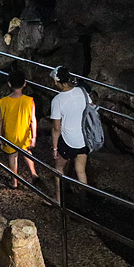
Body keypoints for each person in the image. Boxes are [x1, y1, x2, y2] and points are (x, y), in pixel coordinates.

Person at [50, 66, 89, 201]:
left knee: (59, 168)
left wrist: (55, 148)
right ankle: (85, 200)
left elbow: (56, 128)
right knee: (81, 170)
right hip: (84, 139)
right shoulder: (82, 92)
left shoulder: (57, 100)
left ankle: (59, 200)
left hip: (68, 140)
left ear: (57, 81)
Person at [0, 71, 38, 189]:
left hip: (10, 134)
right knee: (26, 152)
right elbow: (33, 120)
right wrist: (34, 137)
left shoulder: (3, 101)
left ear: (9, 84)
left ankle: (14, 181)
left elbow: (0, 120)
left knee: (12, 156)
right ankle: (33, 173)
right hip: (24, 133)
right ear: (24, 84)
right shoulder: (29, 101)